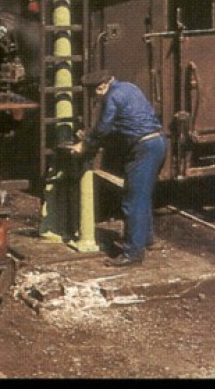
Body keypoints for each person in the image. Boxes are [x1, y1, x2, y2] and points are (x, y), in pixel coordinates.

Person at [70, 70, 168, 267]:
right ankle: (147, 239)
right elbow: (123, 122)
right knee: (142, 195)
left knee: (132, 201)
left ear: (102, 87)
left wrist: (85, 144)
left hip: (143, 148)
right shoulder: (129, 87)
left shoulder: (112, 96)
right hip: (158, 143)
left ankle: (133, 254)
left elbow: (105, 126)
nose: (96, 98)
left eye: (95, 94)